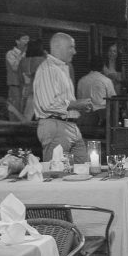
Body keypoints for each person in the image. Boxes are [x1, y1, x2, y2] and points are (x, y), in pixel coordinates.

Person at [33, 32, 93, 162]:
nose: (74, 51)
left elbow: (61, 101)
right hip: (55, 127)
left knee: (83, 171)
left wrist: (79, 107)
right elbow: (48, 104)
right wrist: (76, 104)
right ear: (57, 46)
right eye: (70, 47)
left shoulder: (61, 68)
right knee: (56, 175)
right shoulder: (47, 69)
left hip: (70, 126)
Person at [76, 54, 117, 129]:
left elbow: (79, 101)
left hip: (85, 122)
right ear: (103, 66)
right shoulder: (106, 81)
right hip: (103, 122)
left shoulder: (81, 81)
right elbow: (113, 100)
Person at [18, 40, 47, 123]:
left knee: (25, 119)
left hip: (25, 92)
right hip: (40, 93)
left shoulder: (22, 61)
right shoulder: (43, 60)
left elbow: (20, 79)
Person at [5, 33, 30, 118]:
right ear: (17, 41)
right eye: (24, 39)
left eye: (28, 39)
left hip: (26, 86)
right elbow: (15, 68)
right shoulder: (10, 53)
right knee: (14, 110)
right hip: (15, 86)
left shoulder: (28, 54)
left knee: (25, 112)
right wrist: (23, 54)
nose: (27, 41)